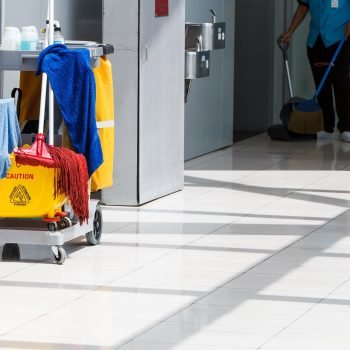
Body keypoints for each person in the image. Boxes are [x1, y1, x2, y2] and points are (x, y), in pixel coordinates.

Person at [280, 0, 350, 142]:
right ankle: (327, 127)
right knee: (321, 86)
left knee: (342, 85)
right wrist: (290, 31)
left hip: (340, 39)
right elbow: (303, 7)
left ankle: (346, 127)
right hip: (316, 42)